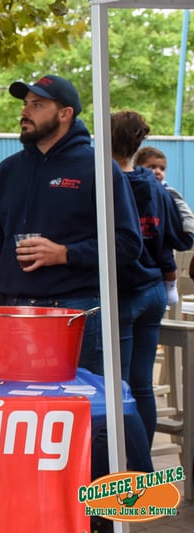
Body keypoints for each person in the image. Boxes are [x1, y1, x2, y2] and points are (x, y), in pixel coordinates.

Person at [0, 74, 143, 376]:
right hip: (14, 313)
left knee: (81, 415)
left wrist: (65, 253)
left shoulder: (97, 168)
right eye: (26, 104)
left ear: (65, 114)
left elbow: (128, 244)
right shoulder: (6, 171)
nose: (25, 112)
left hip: (75, 313)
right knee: (22, 412)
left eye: (38, 104)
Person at [111, 111, 192, 453]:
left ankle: (128, 464)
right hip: (154, 292)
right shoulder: (156, 187)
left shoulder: (108, 185)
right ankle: (142, 459)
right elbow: (177, 235)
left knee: (120, 385)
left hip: (125, 292)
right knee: (141, 384)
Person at [134, 145, 194, 305]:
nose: (158, 171)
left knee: (166, 257)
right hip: (142, 242)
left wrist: (188, 232)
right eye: (152, 167)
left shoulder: (167, 192)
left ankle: (171, 286)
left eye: (162, 168)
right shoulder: (130, 188)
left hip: (161, 238)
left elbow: (185, 211)